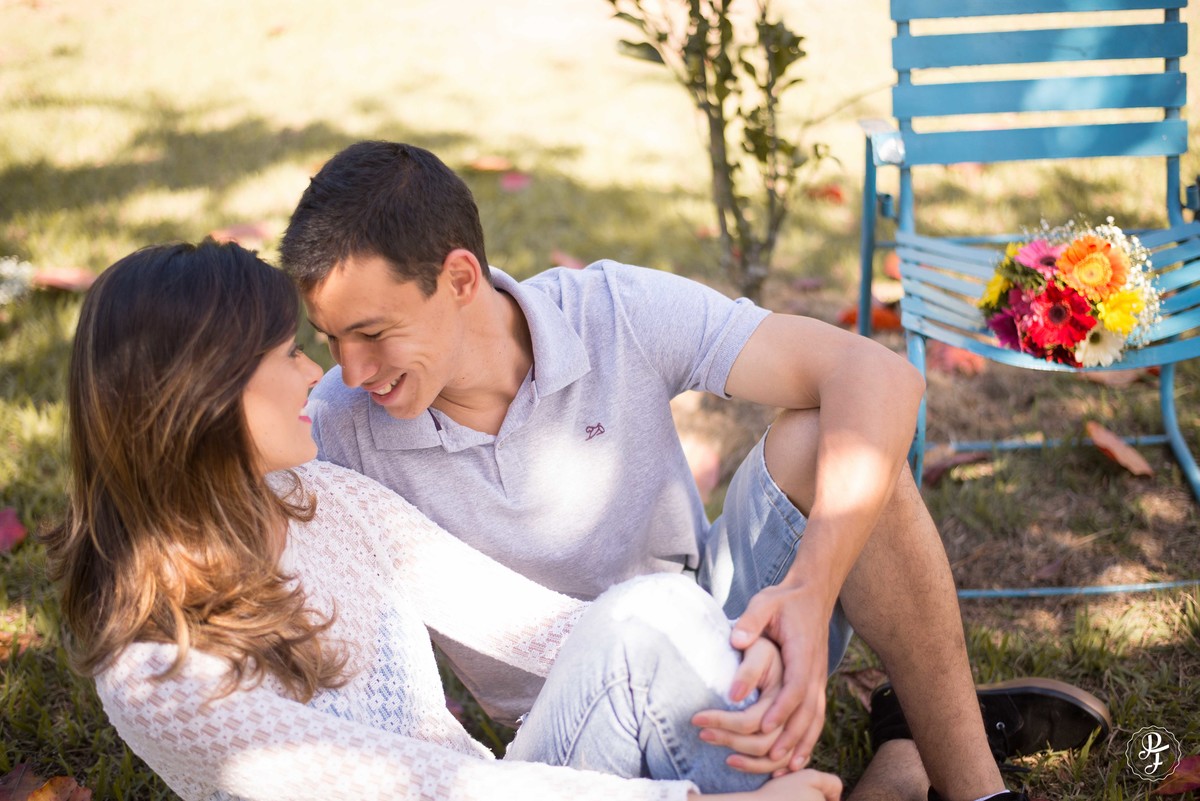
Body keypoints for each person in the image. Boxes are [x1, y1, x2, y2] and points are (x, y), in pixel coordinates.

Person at [279, 141, 1112, 801]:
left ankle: (974, 789)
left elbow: (878, 376)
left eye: (373, 333)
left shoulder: (608, 313)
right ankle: (894, 751)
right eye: (331, 339)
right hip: (569, 738)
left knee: (835, 437)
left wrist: (810, 589)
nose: (351, 370)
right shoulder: (337, 424)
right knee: (648, 614)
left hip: (707, 625)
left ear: (460, 277)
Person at [45, 240, 846, 801]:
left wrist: (725, 649)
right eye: (288, 353)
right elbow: (418, 790)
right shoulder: (154, 672)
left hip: (501, 787)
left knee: (656, 606)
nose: (318, 371)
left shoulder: (323, 500)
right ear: (203, 396)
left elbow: (544, 627)